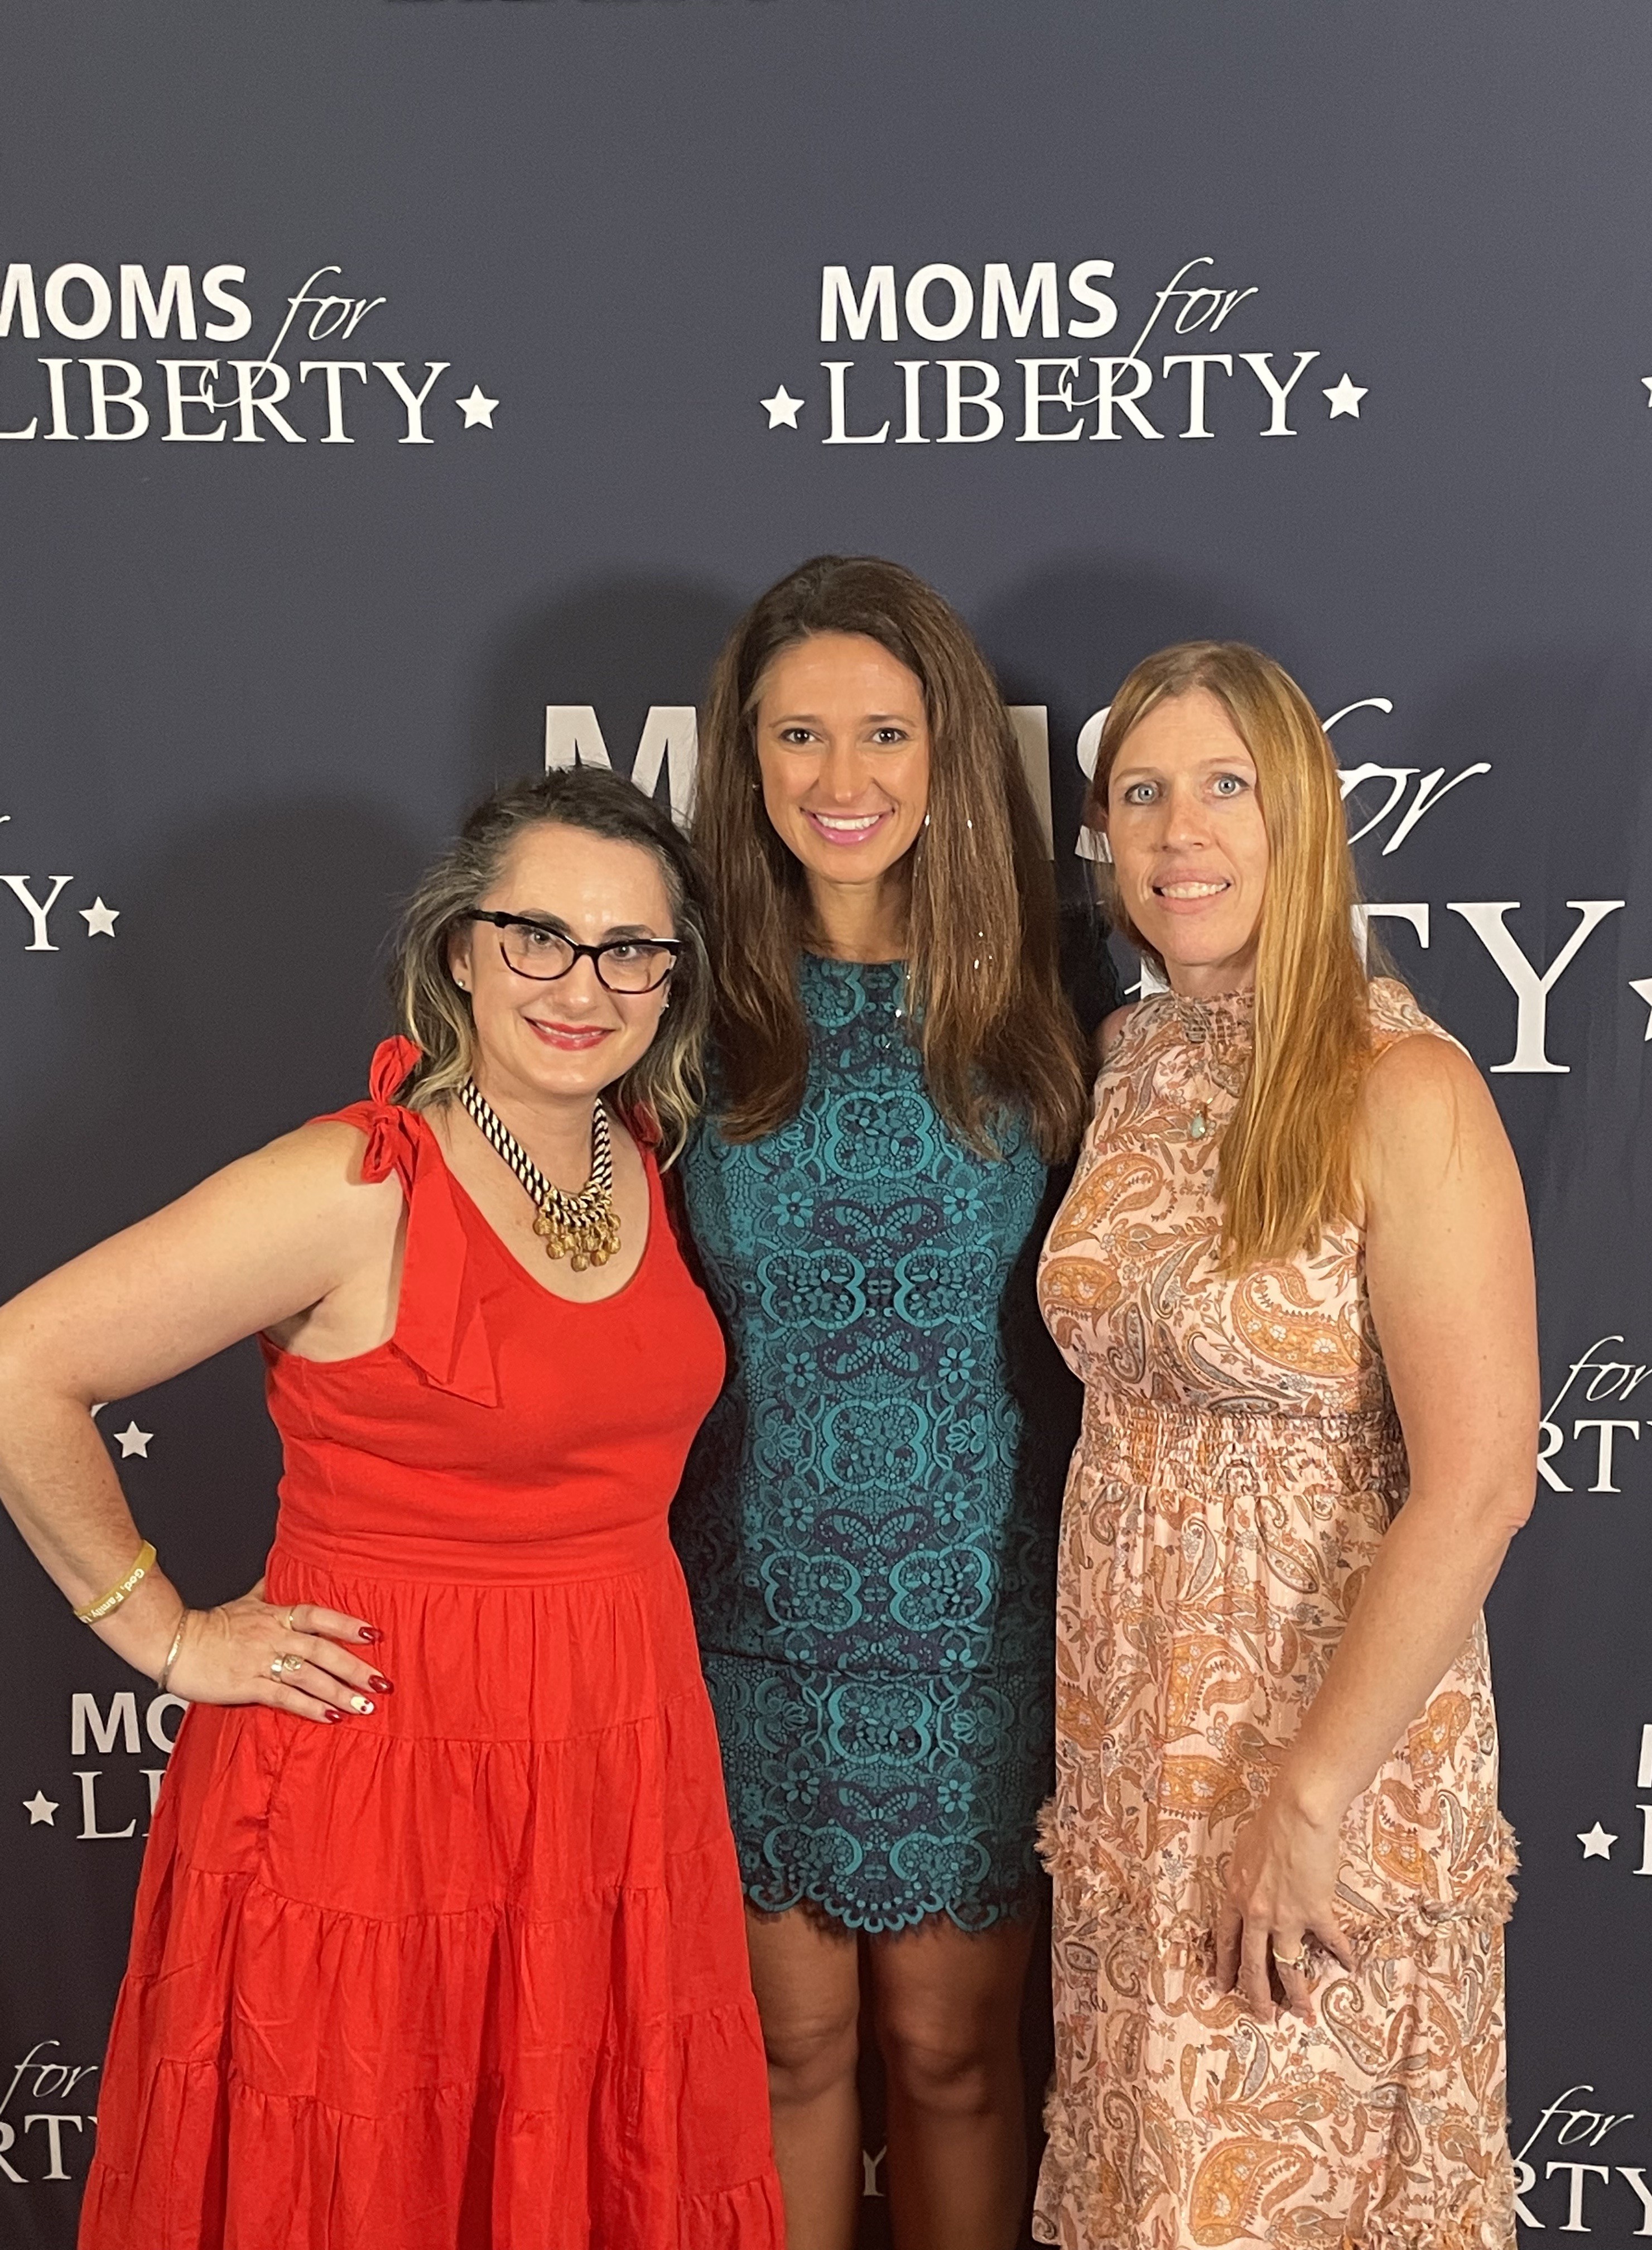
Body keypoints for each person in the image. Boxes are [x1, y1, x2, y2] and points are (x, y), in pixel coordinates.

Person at [0, 767, 784, 2250]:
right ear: (461, 949)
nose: (582, 986)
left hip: (613, 1774)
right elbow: (20, 1367)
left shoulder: (646, 1157)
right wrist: (164, 1636)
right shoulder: (354, 1184)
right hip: (379, 1793)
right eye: (539, 937)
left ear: (673, 980)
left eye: (630, 950)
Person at [1033, 641, 1535, 2249]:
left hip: (1324, 1748)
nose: (1180, 833)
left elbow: (1480, 1486)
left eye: (1225, 786)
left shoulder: (1406, 1084)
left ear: (1302, 816)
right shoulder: (1129, 1061)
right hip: (1131, 1751)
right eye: (1142, 792)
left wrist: (1306, 1802)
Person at [670, 555, 1093, 2250]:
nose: (841, 780)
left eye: (885, 734)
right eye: (799, 737)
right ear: (747, 759)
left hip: (975, 1626)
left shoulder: (1053, 1013)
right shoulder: (680, 1014)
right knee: (787, 2055)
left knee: (955, 2060)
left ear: (949, 754)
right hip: (743, 1624)